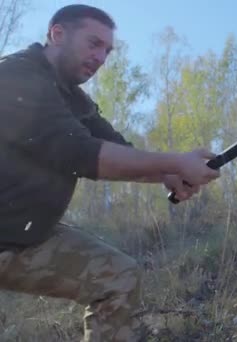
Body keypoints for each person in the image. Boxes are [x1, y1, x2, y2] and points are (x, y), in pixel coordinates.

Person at [0, 4, 219, 341]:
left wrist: (167, 175)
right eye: (93, 43)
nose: (101, 57)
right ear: (57, 34)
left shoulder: (75, 100)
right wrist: (175, 162)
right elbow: (83, 155)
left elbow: (116, 148)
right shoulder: (15, 77)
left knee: (118, 276)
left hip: (24, 236)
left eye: (107, 50)